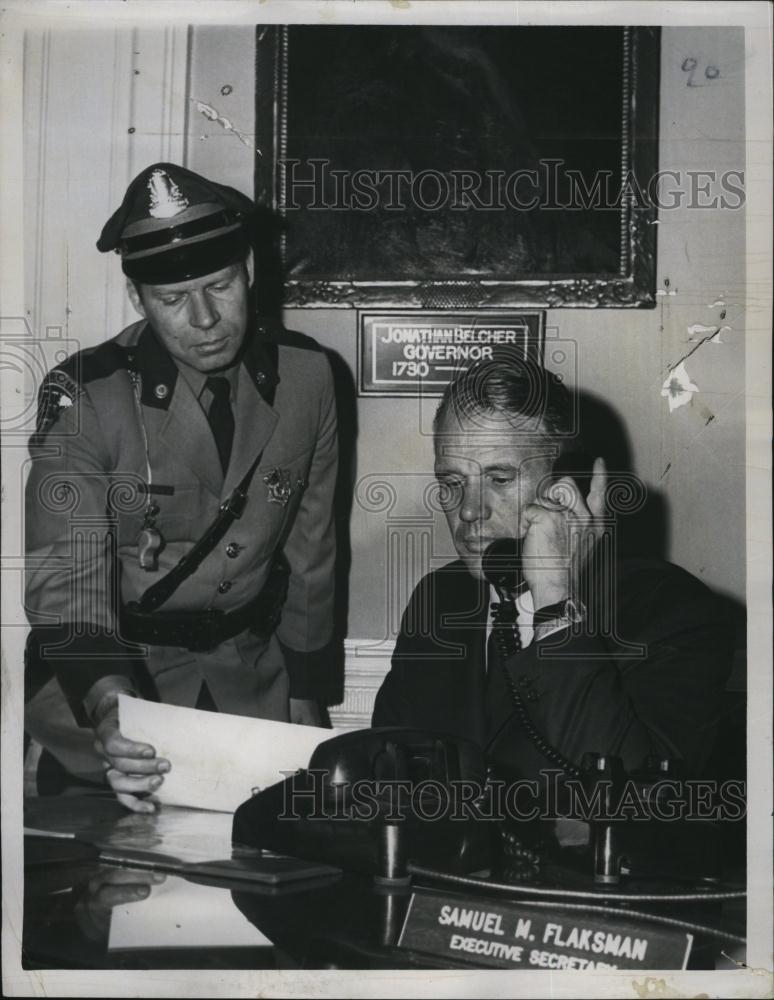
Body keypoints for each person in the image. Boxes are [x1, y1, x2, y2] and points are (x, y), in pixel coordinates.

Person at [24, 163, 338, 812]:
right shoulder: (87, 394)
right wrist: (109, 707)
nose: (205, 318)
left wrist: (306, 691)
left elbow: (312, 553)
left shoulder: (309, 379)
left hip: (251, 685)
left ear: (248, 269)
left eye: (219, 286)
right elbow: (67, 581)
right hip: (113, 684)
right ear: (138, 299)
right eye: (172, 300)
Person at [372, 355, 733, 790]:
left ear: (568, 487)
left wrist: (555, 603)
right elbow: (384, 774)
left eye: (500, 479)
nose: (468, 510)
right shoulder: (439, 598)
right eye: (452, 483)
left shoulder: (671, 612)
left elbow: (638, 799)